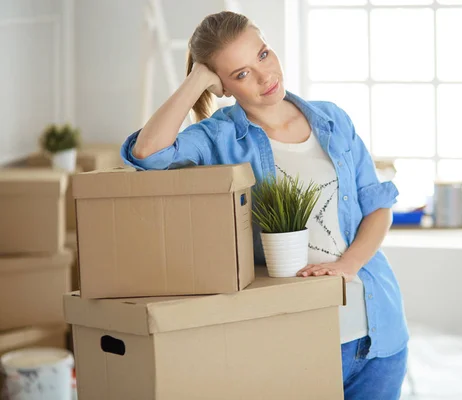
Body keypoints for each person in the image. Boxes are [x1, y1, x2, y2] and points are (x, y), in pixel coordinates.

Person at [121, 11, 409, 399]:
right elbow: (147, 152)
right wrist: (197, 81)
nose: (264, 76)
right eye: (239, 74)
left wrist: (346, 266)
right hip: (293, 340)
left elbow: (377, 206)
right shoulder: (219, 137)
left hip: (378, 333)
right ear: (221, 85)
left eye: (262, 55)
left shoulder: (332, 119)